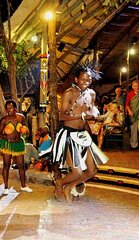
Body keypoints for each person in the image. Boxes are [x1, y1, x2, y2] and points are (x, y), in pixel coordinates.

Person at [51, 62, 108, 203]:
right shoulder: (69, 93)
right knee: (77, 172)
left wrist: (94, 116)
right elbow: (62, 117)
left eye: (88, 79)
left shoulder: (92, 94)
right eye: (82, 79)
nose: (86, 82)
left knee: (92, 171)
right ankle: (59, 183)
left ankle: (69, 186)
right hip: (69, 135)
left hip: (83, 135)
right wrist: (81, 116)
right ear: (76, 79)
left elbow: (91, 112)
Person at [0, 100, 33, 194]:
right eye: (7, 109)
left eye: (11, 108)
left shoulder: (21, 117)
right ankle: (6, 187)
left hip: (18, 143)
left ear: (15, 108)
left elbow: (26, 128)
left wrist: (25, 131)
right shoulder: (4, 120)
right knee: (6, 165)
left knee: (21, 165)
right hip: (7, 144)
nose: (9, 110)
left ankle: (23, 186)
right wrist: (6, 136)